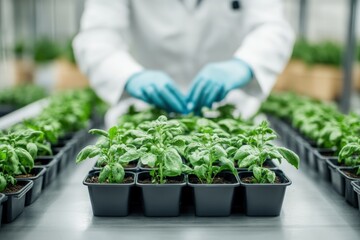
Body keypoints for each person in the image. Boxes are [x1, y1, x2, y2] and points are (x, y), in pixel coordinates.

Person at [74, 0, 294, 118]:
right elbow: (96, 37)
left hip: (230, 109)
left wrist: (243, 65)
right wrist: (130, 76)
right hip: (146, 113)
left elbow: (273, 27)